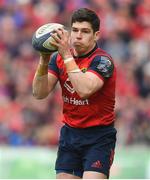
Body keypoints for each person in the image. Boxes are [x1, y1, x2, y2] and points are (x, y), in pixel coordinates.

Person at [32, 8, 117, 179]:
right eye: (75, 30)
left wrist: (65, 56)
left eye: (85, 31)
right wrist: (44, 59)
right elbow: (39, 93)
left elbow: (84, 90)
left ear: (96, 35)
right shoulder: (58, 59)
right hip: (70, 135)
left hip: (98, 136)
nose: (78, 36)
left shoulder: (102, 61)